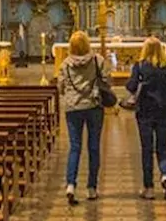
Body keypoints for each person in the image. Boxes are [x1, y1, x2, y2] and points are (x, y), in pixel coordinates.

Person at [58, 30, 110, 205]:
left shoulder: (65, 63)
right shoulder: (97, 60)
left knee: (75, 147)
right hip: (94, 106)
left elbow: (61, 86)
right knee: (94, 147)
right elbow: (107, 81)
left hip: (73, 108)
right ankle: (91, 188)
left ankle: (71, 185)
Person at [126, 36, 166, 200]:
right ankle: (165, 175)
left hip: (145, 113)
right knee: (163, 147)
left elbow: (131, 86)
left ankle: (148, 187)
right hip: (165, 111)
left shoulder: (140, 66)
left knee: (147, 149)